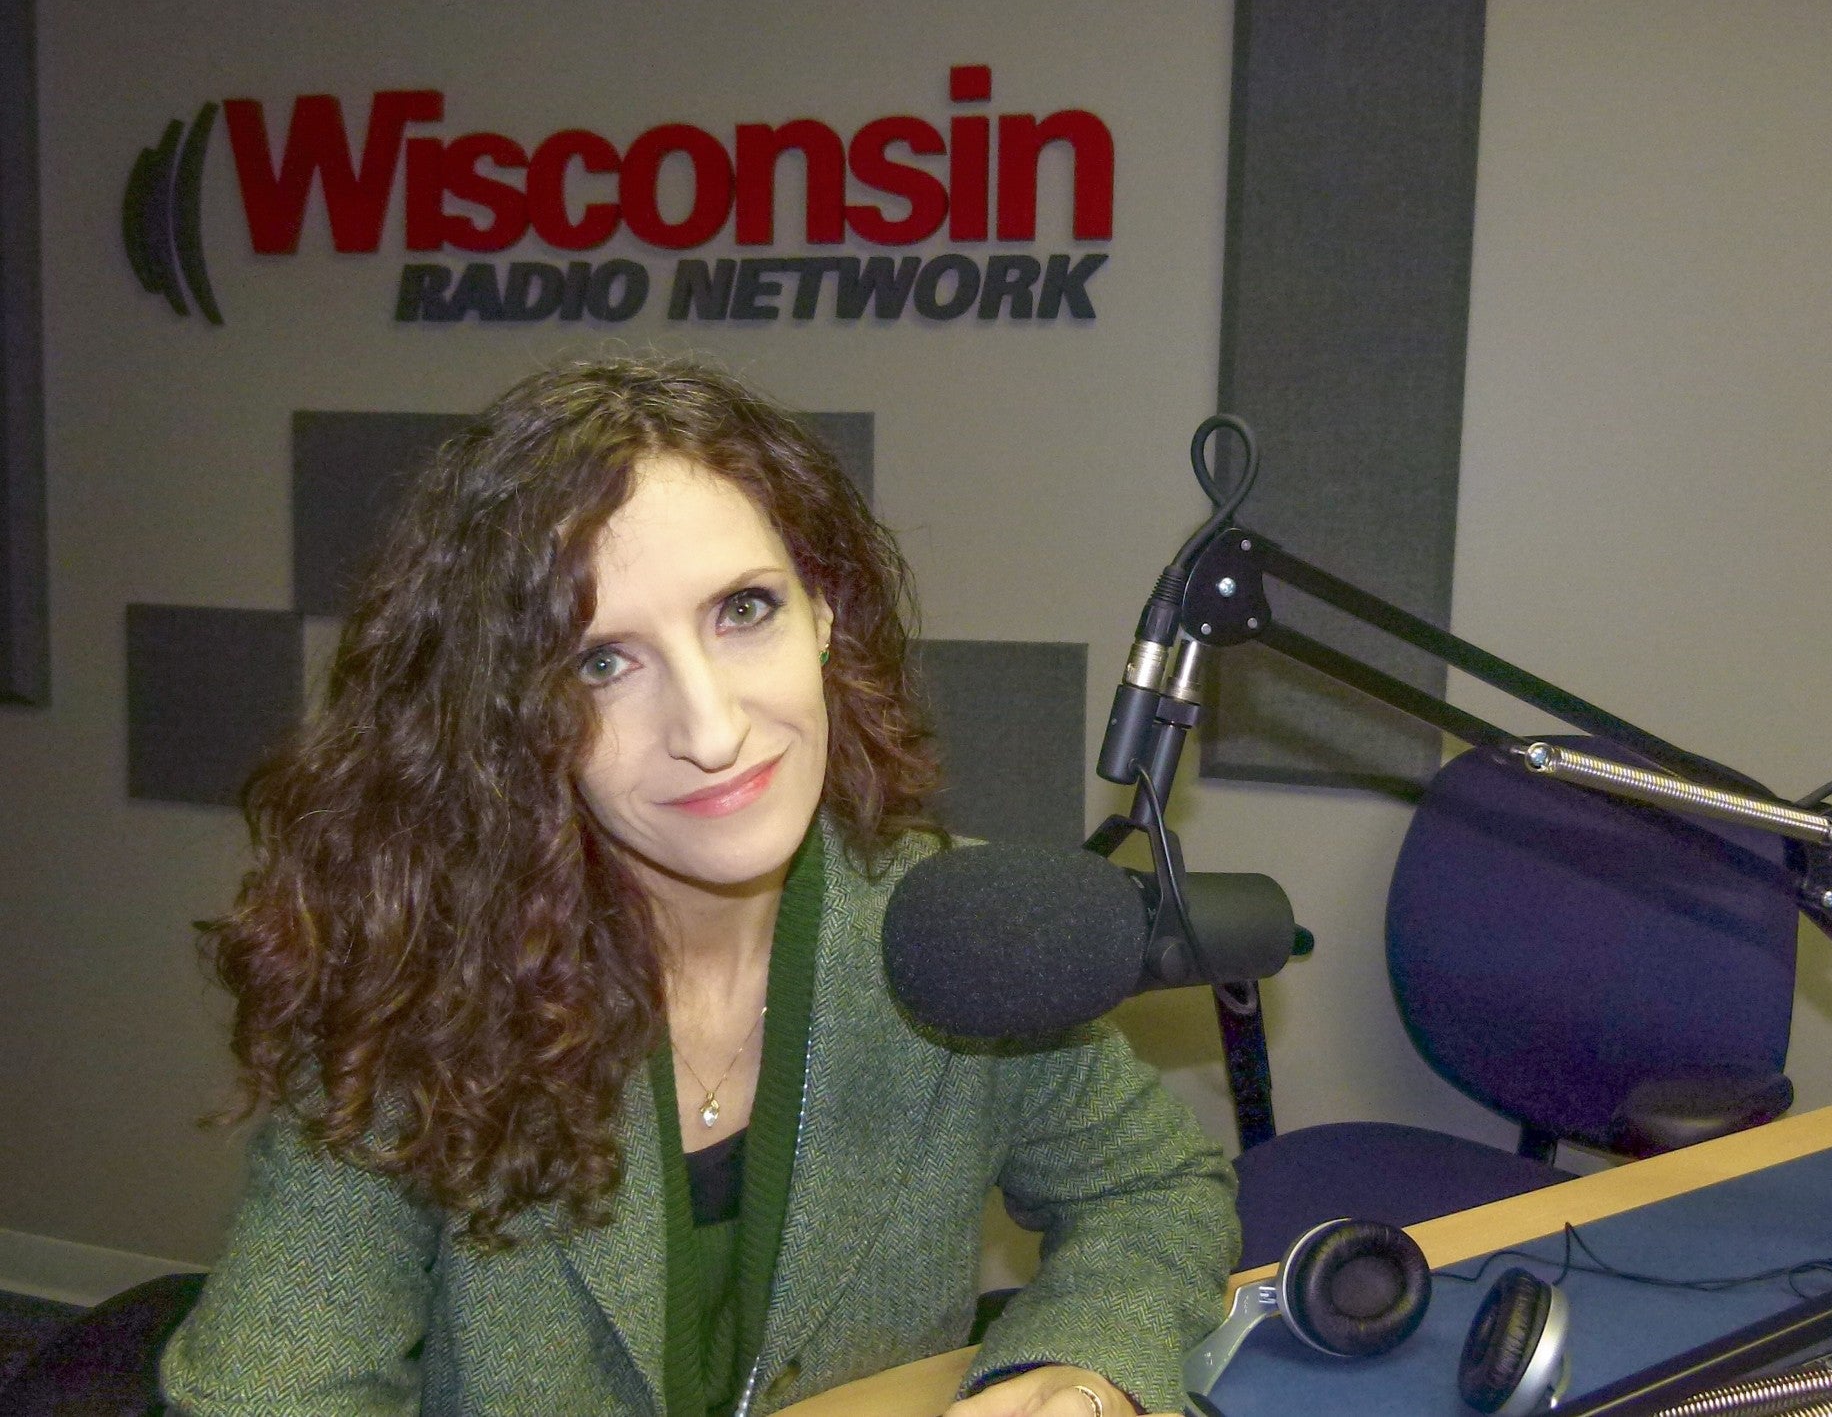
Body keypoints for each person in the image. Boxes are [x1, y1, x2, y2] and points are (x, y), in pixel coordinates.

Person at [160, 356, 1237, 1417]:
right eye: (601, 664)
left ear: (825, 611)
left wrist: (1080, 1372)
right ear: (504, 714)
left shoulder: (952, 933)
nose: (713, 732)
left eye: (744, 610)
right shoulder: (416, 986)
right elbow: (266, 1393)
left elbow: (1154, 1193)